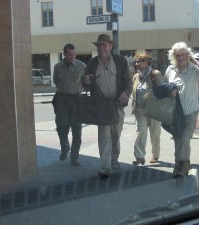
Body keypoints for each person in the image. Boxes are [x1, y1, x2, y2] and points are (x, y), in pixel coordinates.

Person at [154, 42, 199, 178]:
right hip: (175, 112)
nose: (180, 58)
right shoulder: (170, 69)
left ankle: (180, 167)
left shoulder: (194, 69)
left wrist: (194, 60)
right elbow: (164, 86)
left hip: (190, 112)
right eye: (177, 55)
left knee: (184, 138)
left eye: (183, 55)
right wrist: (170, 91)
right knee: (178, 138)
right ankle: (181, 163)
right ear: (174, 56)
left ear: (188, 55)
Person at [82, 34, 132, 178]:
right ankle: (105, 166)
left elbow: (128, 81)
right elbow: (84, 82)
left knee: (115, 134)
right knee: (104, 135)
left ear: (111, 46)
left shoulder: (120, 61)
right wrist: (85, 80)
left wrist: (127, 93)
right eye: (99, 45)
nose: (102, 47)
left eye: (105, 45)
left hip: (117, 104)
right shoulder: (92, 63)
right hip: (101, 106)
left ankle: (114, 158)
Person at [53, 43, 86, 167]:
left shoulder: (81, 66)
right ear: (64, 54)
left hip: (76, 99)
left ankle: (74, 158)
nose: (72, 57)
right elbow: (56, 81)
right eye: (70, 54)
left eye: (74, 54)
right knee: (61, 127)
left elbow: (85, 80)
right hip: (62, 99)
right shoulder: (57, 67)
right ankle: (64, 146)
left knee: (77, 131)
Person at [131, 51, 163, 165]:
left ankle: (155, 155)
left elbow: (163, 89)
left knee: (155, 133)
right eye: (136, 61)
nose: (137, 63)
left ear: (147, 62)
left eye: (140, 61)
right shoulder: (135, 76)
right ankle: (139, 156)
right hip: (140, 110)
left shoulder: (155, 74)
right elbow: (133, 92)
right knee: (141, 131)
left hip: (154, 110)